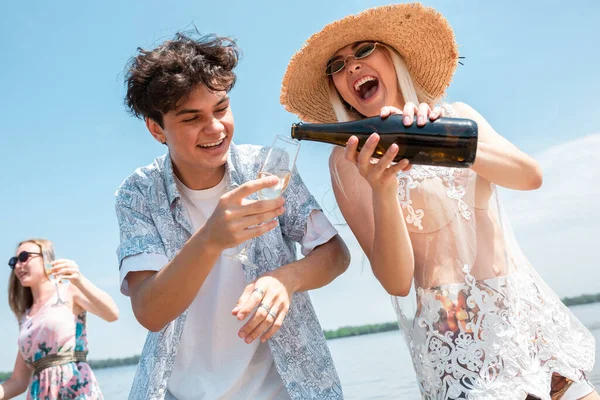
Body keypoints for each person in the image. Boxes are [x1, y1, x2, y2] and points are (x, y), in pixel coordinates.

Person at [280, 3, 597, 399]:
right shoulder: (347, 163)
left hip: (526, 320)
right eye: (337, 66)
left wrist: (441, 138)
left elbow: (530, 176)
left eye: (363, 52)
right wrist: (383, 189)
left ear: (390, 59)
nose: (352, 68)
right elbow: (396, 282)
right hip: (457, 341)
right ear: (336, 89)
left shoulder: (455, 116)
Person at [115, 32, 350, 400]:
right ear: (156, 127)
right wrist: (210, 239)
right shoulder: (138, 194)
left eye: (221, 109)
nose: (215, 128)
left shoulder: (267, 168)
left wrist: (285, 280)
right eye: (192, 118)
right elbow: (150, 311)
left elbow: (335, 254)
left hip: (288, 389)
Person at [0, 238, 119, 399]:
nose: (18, 265)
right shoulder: (25, 318)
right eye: (14, 261)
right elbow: (18, 381)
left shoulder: (69, 291)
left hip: (75, 388)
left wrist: (79, 279)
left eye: (24, 257)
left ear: (46, 258)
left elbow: (112, 313)